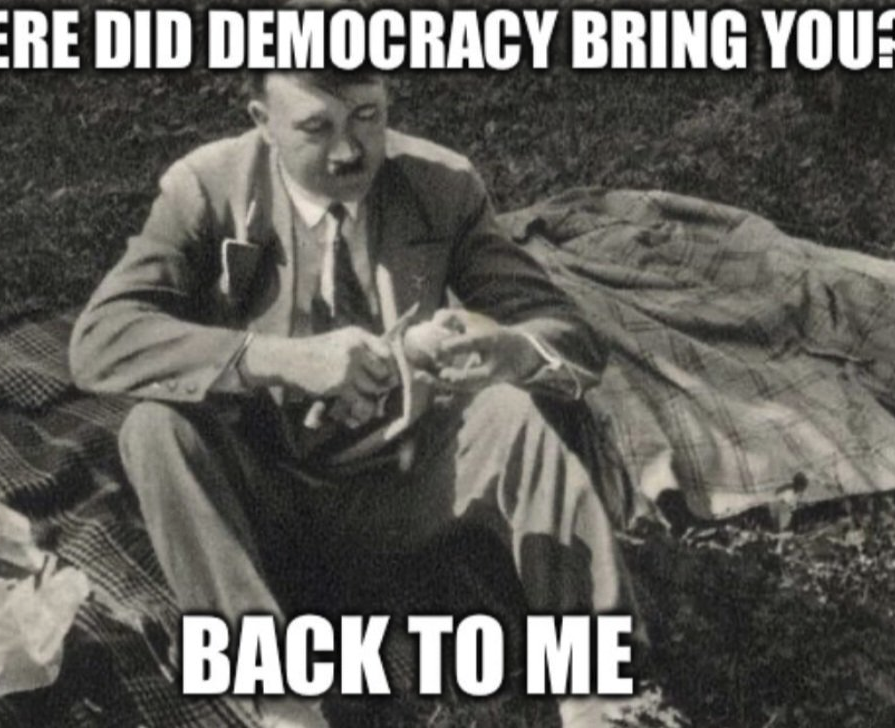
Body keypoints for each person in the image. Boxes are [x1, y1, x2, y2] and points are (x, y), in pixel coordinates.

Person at [69, 65, 635, 727]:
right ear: (263, 123)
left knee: (510, 414)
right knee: (153, 430)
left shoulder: (441, 184)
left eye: (368, 117)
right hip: (262, 494)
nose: (349, 151)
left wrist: (509, 349)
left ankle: (602, 698)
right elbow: (100, 340)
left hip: (406, 479)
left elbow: (569, 334)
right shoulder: (207, 188)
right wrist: (279, 360)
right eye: (317, 128)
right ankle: (285, 708)